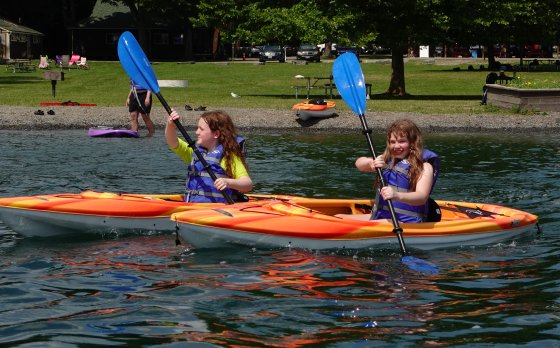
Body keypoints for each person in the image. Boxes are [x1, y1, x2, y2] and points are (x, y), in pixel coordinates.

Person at [354, 119, 439, 223]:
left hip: (406, 222)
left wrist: (396, 195)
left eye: (402, 141)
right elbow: (358, 164)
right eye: (392, 142)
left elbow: (421, 197)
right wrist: (370, 163)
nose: (396, 146)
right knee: (338, 216)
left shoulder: (424, 166)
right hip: (382, 217)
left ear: (412, 143)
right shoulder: (387, 160)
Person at [165, 109, 253, 203]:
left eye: (201, 129)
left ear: (216, 134)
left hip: (216, 210)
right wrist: (170, 125)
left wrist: (228, 182)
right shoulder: (195, 153)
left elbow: (247, 184)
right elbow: (173, 142)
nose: (197, 132)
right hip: (193, 208)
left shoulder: (227, 157)